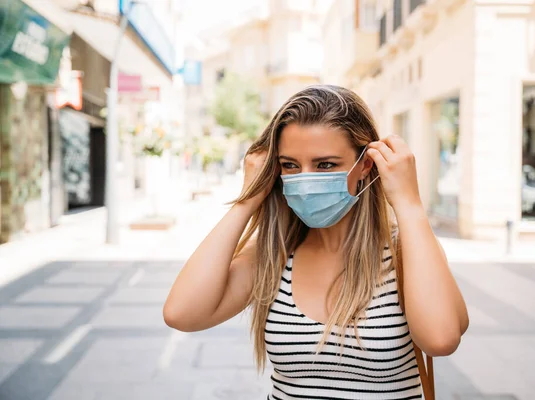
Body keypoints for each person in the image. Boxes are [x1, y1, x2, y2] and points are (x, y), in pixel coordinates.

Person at [164, 85, 469, 399]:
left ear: (365, 165)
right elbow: (182, 314)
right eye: (290, 165)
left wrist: (409, 204)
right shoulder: (274, 254)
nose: (305, 182)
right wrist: (248, 199)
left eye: (325, 165)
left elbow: (441, 339)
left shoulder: (407, 250)